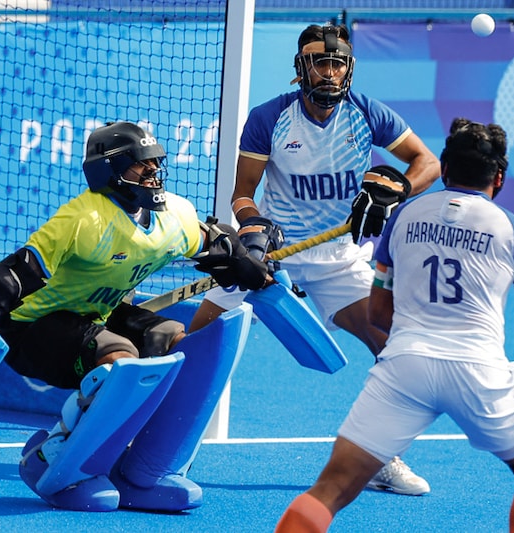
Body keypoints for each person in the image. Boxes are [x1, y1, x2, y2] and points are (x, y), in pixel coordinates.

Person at [275, 118, 514, 533]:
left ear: (444, 169)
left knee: (330, 488)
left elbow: (378, 316)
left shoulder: (401, 218)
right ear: (499, 177)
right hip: (480, 371)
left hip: (404, 367)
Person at [0, 121, 272, 512]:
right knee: (120, 357)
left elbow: (216, 246)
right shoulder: (83, 220)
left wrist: (247, 261)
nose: (153, 173)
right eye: (141, 165)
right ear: (110, 171)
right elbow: (11, 275)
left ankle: (145, 473)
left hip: (97, 315)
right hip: (32, 327)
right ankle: (51, 460)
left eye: (155, 164)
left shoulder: (175, 216)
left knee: (181, 345)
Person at [188, 22, 441, 495]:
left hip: (338, 257)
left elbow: (428, 162)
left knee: (391, 343)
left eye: (337, 63)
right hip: (273, 253)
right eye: (319, 63)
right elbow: (243, 194)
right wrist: (252, 228)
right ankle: (146, 435)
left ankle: (380, 458)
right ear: (300, 69)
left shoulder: (368, 114)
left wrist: (398, 190)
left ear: (349, 69)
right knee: (198, 335)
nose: (329, 72)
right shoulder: (270, 118)